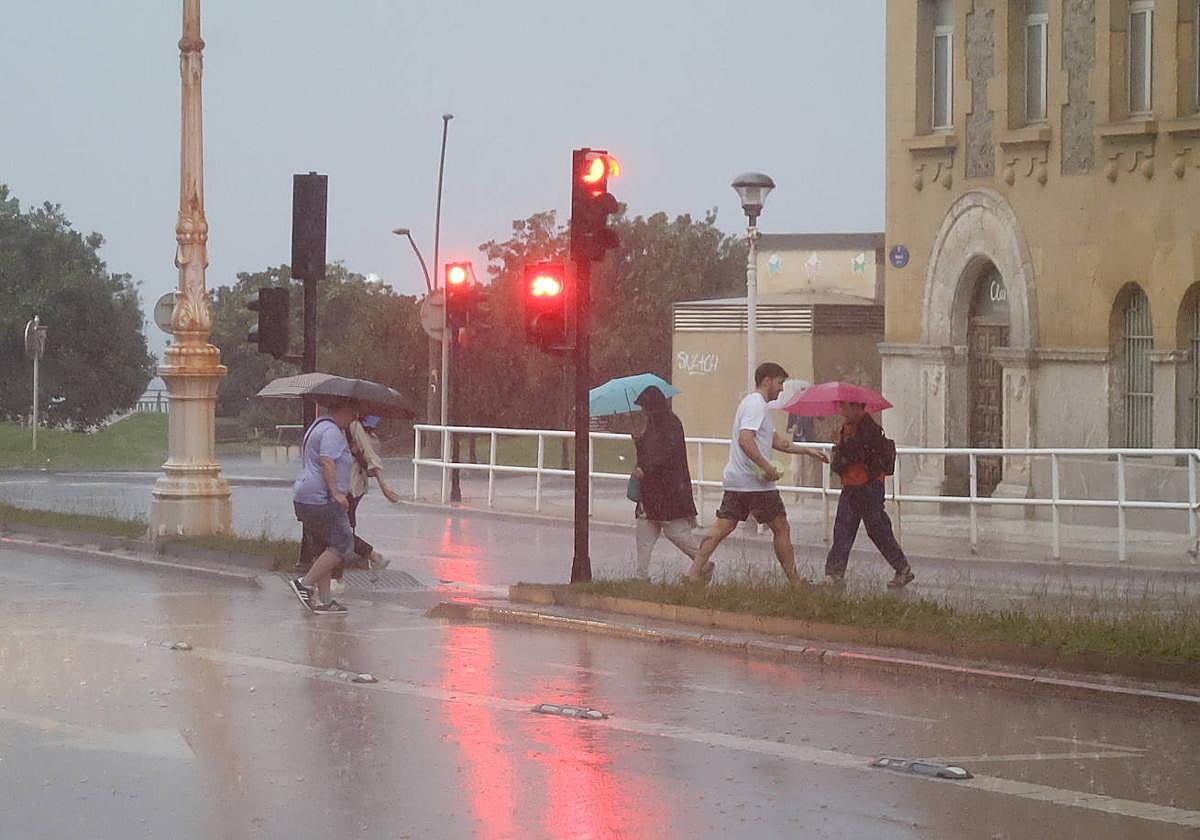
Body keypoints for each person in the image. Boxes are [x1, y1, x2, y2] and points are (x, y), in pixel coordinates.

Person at [687, 362, 829, 585]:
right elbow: (746, 439)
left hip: (736, 480)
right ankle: (795, 582)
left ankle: (693, 574)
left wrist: (808, 451)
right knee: (781, 527)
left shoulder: (752, 405)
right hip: (755, 483)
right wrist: (767, 467)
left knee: (721, 528)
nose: (782, 389)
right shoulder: (757, 405)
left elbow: (777, 442)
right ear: (767, 381)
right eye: (780, 383)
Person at [824, 400, 914, 588]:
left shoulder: (870, 429)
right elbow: (842, 461)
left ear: (857, 408)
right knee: (844, 530)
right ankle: (835, 574)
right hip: (851, 485)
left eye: (845, 407)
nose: (842, 412)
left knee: (875, 529)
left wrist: (841, 444)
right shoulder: (847, 428)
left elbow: (858, 453)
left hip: (868, 487)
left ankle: (902, 568)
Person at [288, 398, 358, 615]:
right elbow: (327, 461)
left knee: (324, 548)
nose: (353, 418)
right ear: (343, 410)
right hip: (321, 498)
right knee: (343, 543)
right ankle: (305, 583)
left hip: (306, 495)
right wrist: (336, 492)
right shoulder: (331, 432)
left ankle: (325, 601)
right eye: (352, 413)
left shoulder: (318, 426)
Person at [629, 386, 702, 580]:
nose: (643, 412)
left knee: (676, 533)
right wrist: (638, 442)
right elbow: (653, 452)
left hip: (667, 492)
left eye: (645, 407)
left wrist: (645, 468)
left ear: (652, 407)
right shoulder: (657, 424)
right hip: (652, 493)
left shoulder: (670, 424)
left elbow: (665, 453)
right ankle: (641, 576)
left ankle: (703, 563)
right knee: (644, 535)